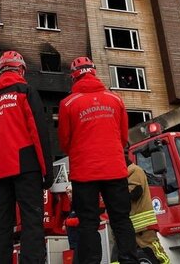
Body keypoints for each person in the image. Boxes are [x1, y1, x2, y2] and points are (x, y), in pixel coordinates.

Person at [58, 56, 138, 264]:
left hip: (85, 174)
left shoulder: (67, 104)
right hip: (115, 170)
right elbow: (122, 138)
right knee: (121, 219)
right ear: (94, 72)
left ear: (74, 77)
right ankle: (129, 260)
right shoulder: (116, 100)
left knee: (88, 223)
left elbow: (64, 142)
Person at [0, 50, 53, 264]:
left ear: (1, 70)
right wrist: (47, 171)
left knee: (1, 222)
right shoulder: (25, 91)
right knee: (32, 220)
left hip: (0, 171)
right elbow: (38, 132)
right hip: (26, 165)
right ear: (20, 69)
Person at [125, 150, 170, 264]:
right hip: (131, 227)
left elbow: (135, 192)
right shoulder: (129, 172)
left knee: (157, 255)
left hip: (144, 227)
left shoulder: (134, 170)